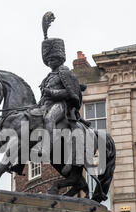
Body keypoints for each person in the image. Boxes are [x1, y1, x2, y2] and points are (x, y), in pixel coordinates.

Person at [35, 13, 90, 175]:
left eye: (53, 59)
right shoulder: (48, 76)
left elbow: (71, 92)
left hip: (61, 105)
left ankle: (46, 147)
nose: (50, 62)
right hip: (45, 105)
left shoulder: (65, 72)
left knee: (49, 118)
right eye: (49, 60)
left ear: (60, 58)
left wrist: (51, 92)